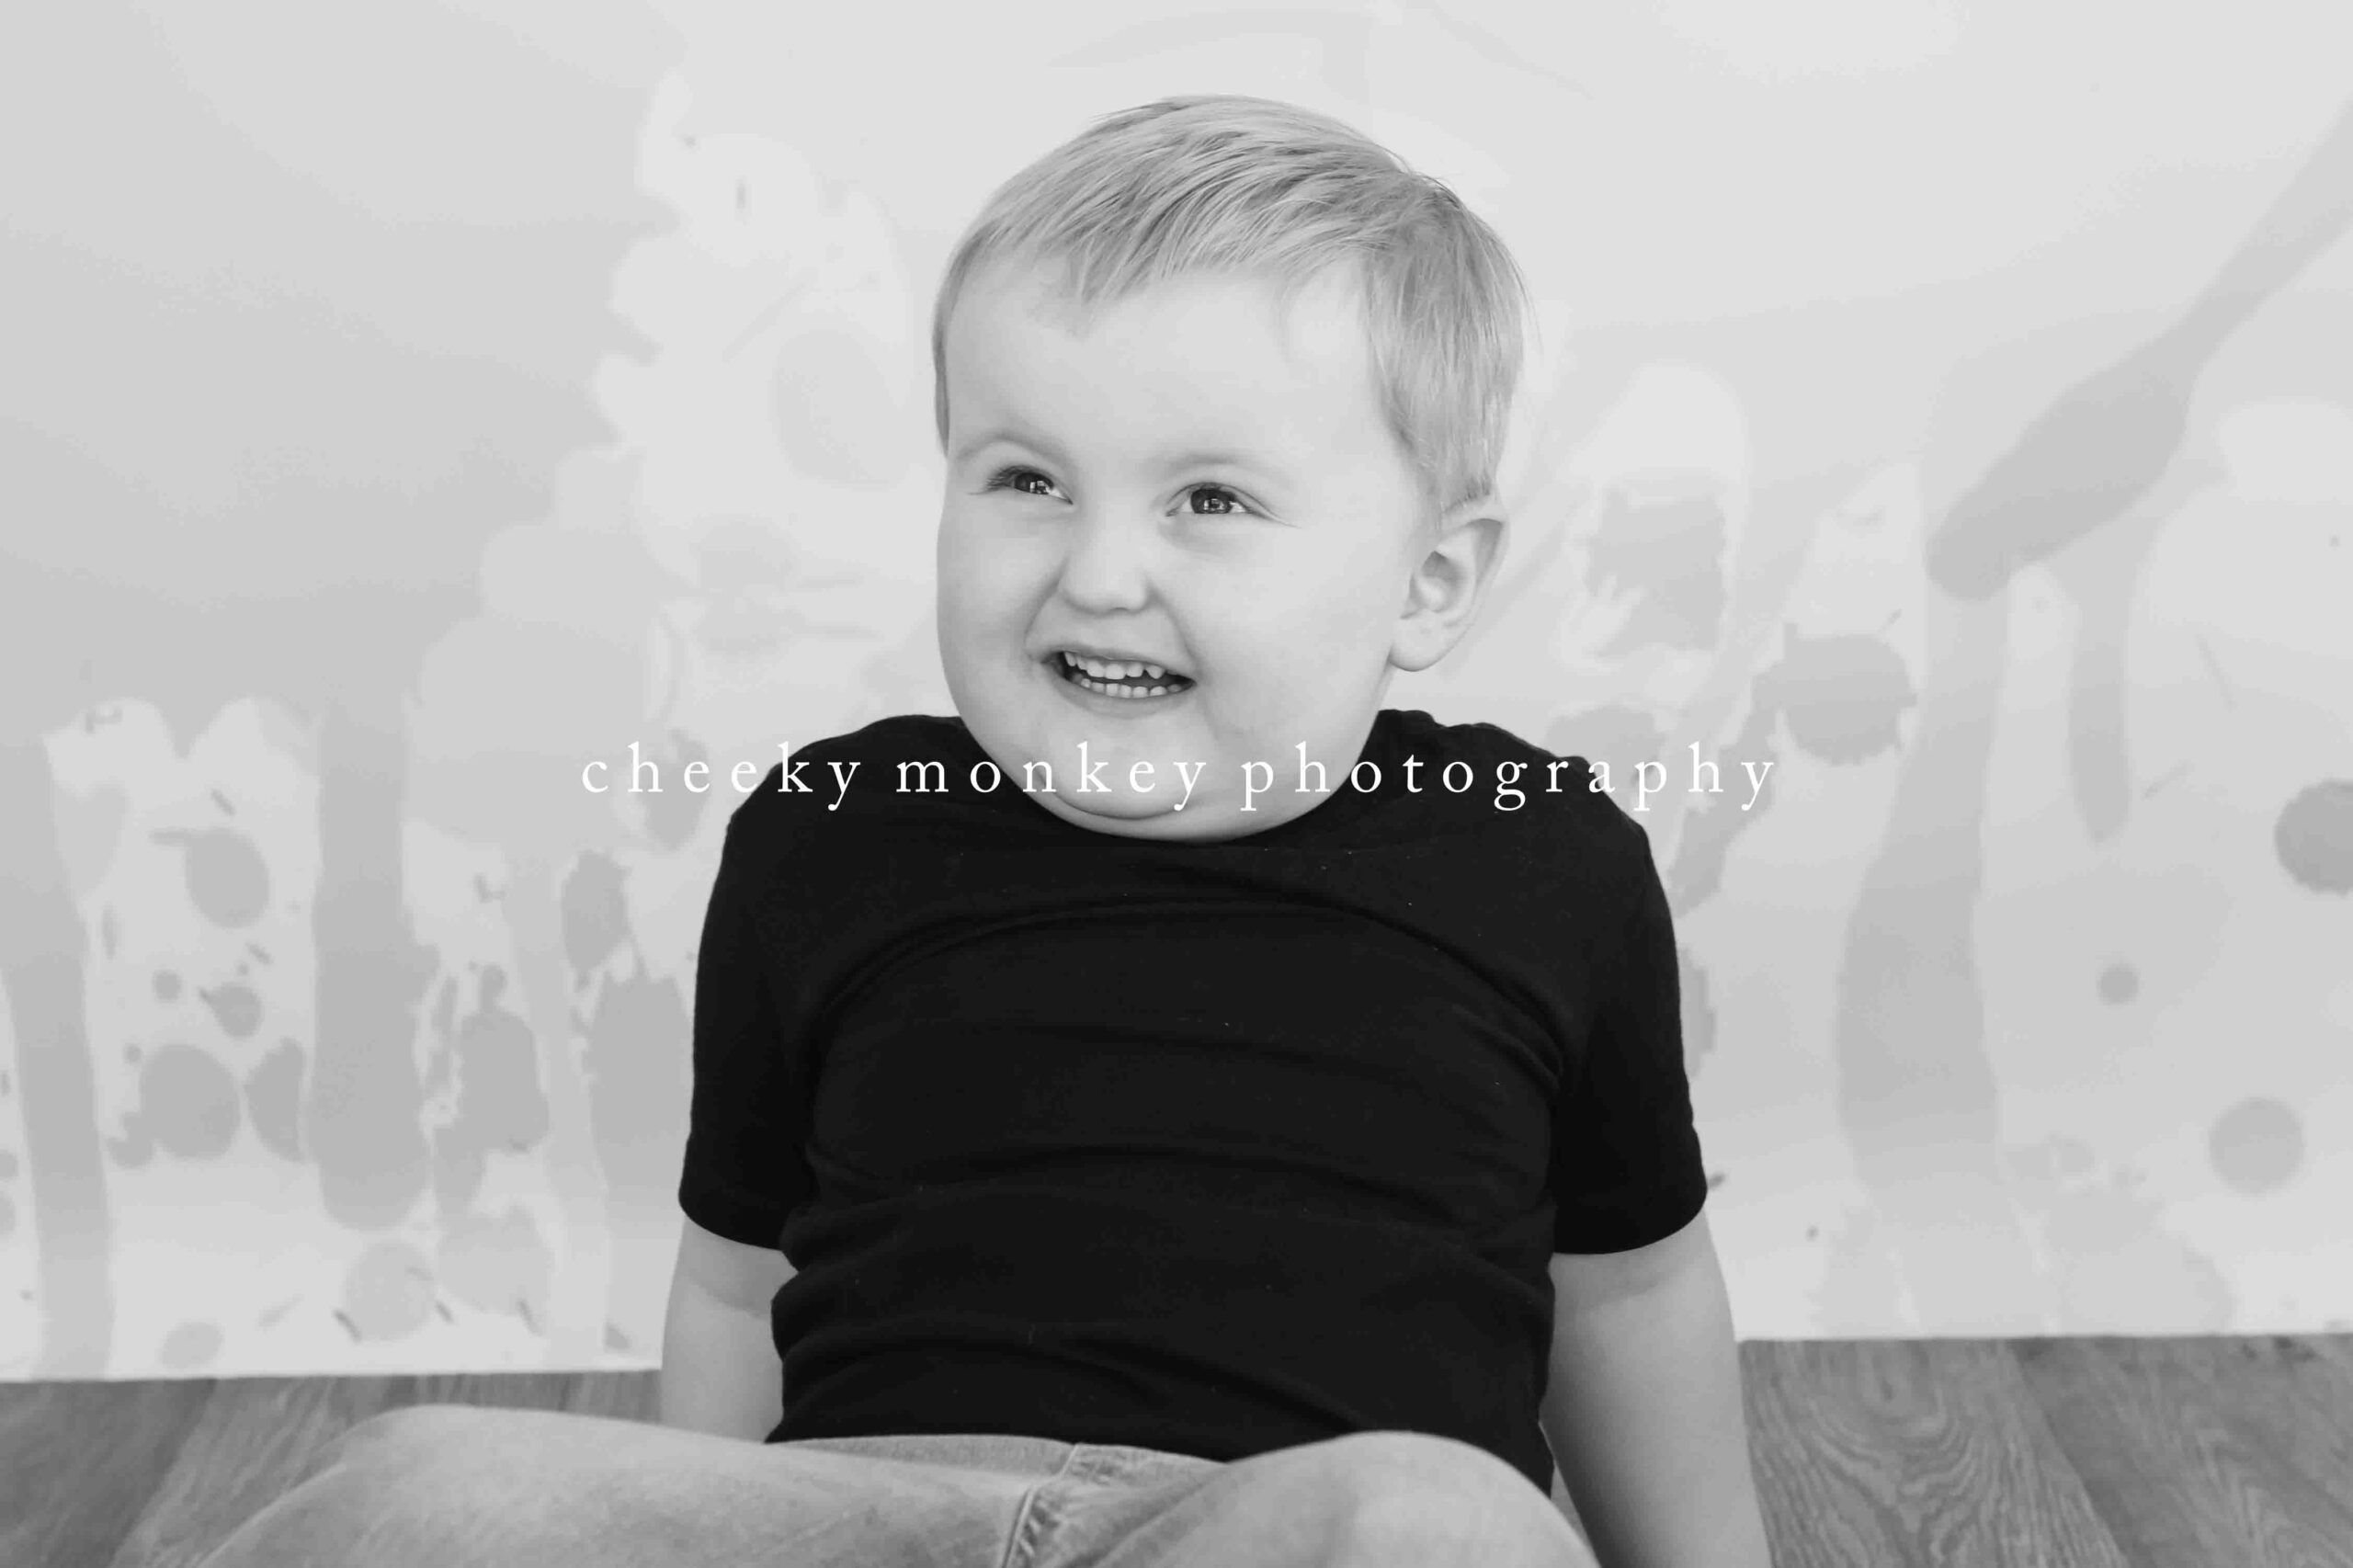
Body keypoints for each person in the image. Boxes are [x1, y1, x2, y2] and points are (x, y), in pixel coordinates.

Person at [198, 93, 1771, 1568]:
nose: (1098, 572)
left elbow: (1630, 1290)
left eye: (1210, 500)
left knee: (1434, 1523)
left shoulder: (1536, 856)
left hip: (1277, 1523)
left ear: (1430, 581)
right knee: (422, 1488)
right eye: (1027, 478)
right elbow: (736, 1281)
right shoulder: (830, 836)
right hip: (877, 1515)